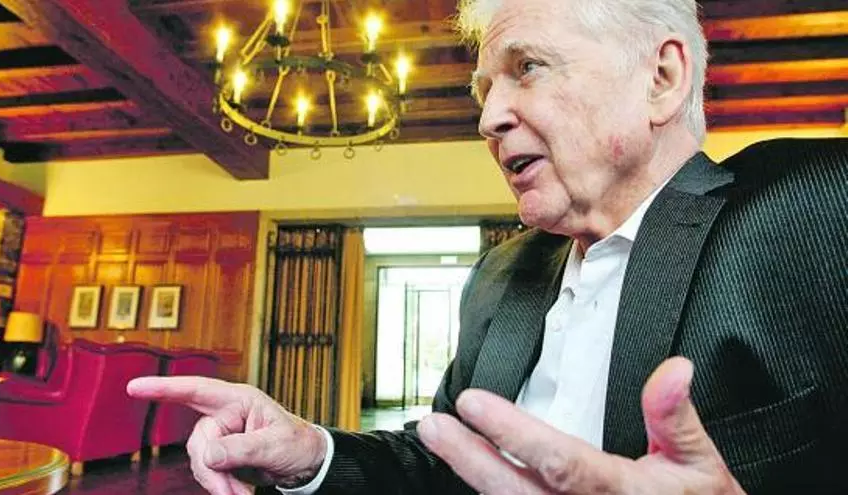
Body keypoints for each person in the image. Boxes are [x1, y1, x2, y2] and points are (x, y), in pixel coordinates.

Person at [128, 0, 848, 493]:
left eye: (526, 67)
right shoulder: (502, 274)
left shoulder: (815, 206)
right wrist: (311, 450)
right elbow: (439, 460)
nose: (488, 117)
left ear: (660, 78)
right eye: (483, 88)